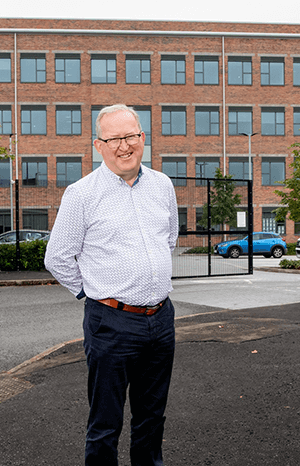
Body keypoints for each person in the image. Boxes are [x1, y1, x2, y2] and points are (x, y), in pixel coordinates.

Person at [45, 104, 178, 466]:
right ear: (98, 145)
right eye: (114, 138)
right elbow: (57, 258)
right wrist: (91, 294)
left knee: (152, 418)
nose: (124, 146)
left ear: (143, 139)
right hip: (111, 323)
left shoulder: (163, 186)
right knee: (105, 423)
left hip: (161, 319)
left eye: (130, 136)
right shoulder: (82, 194)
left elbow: (169, 240)